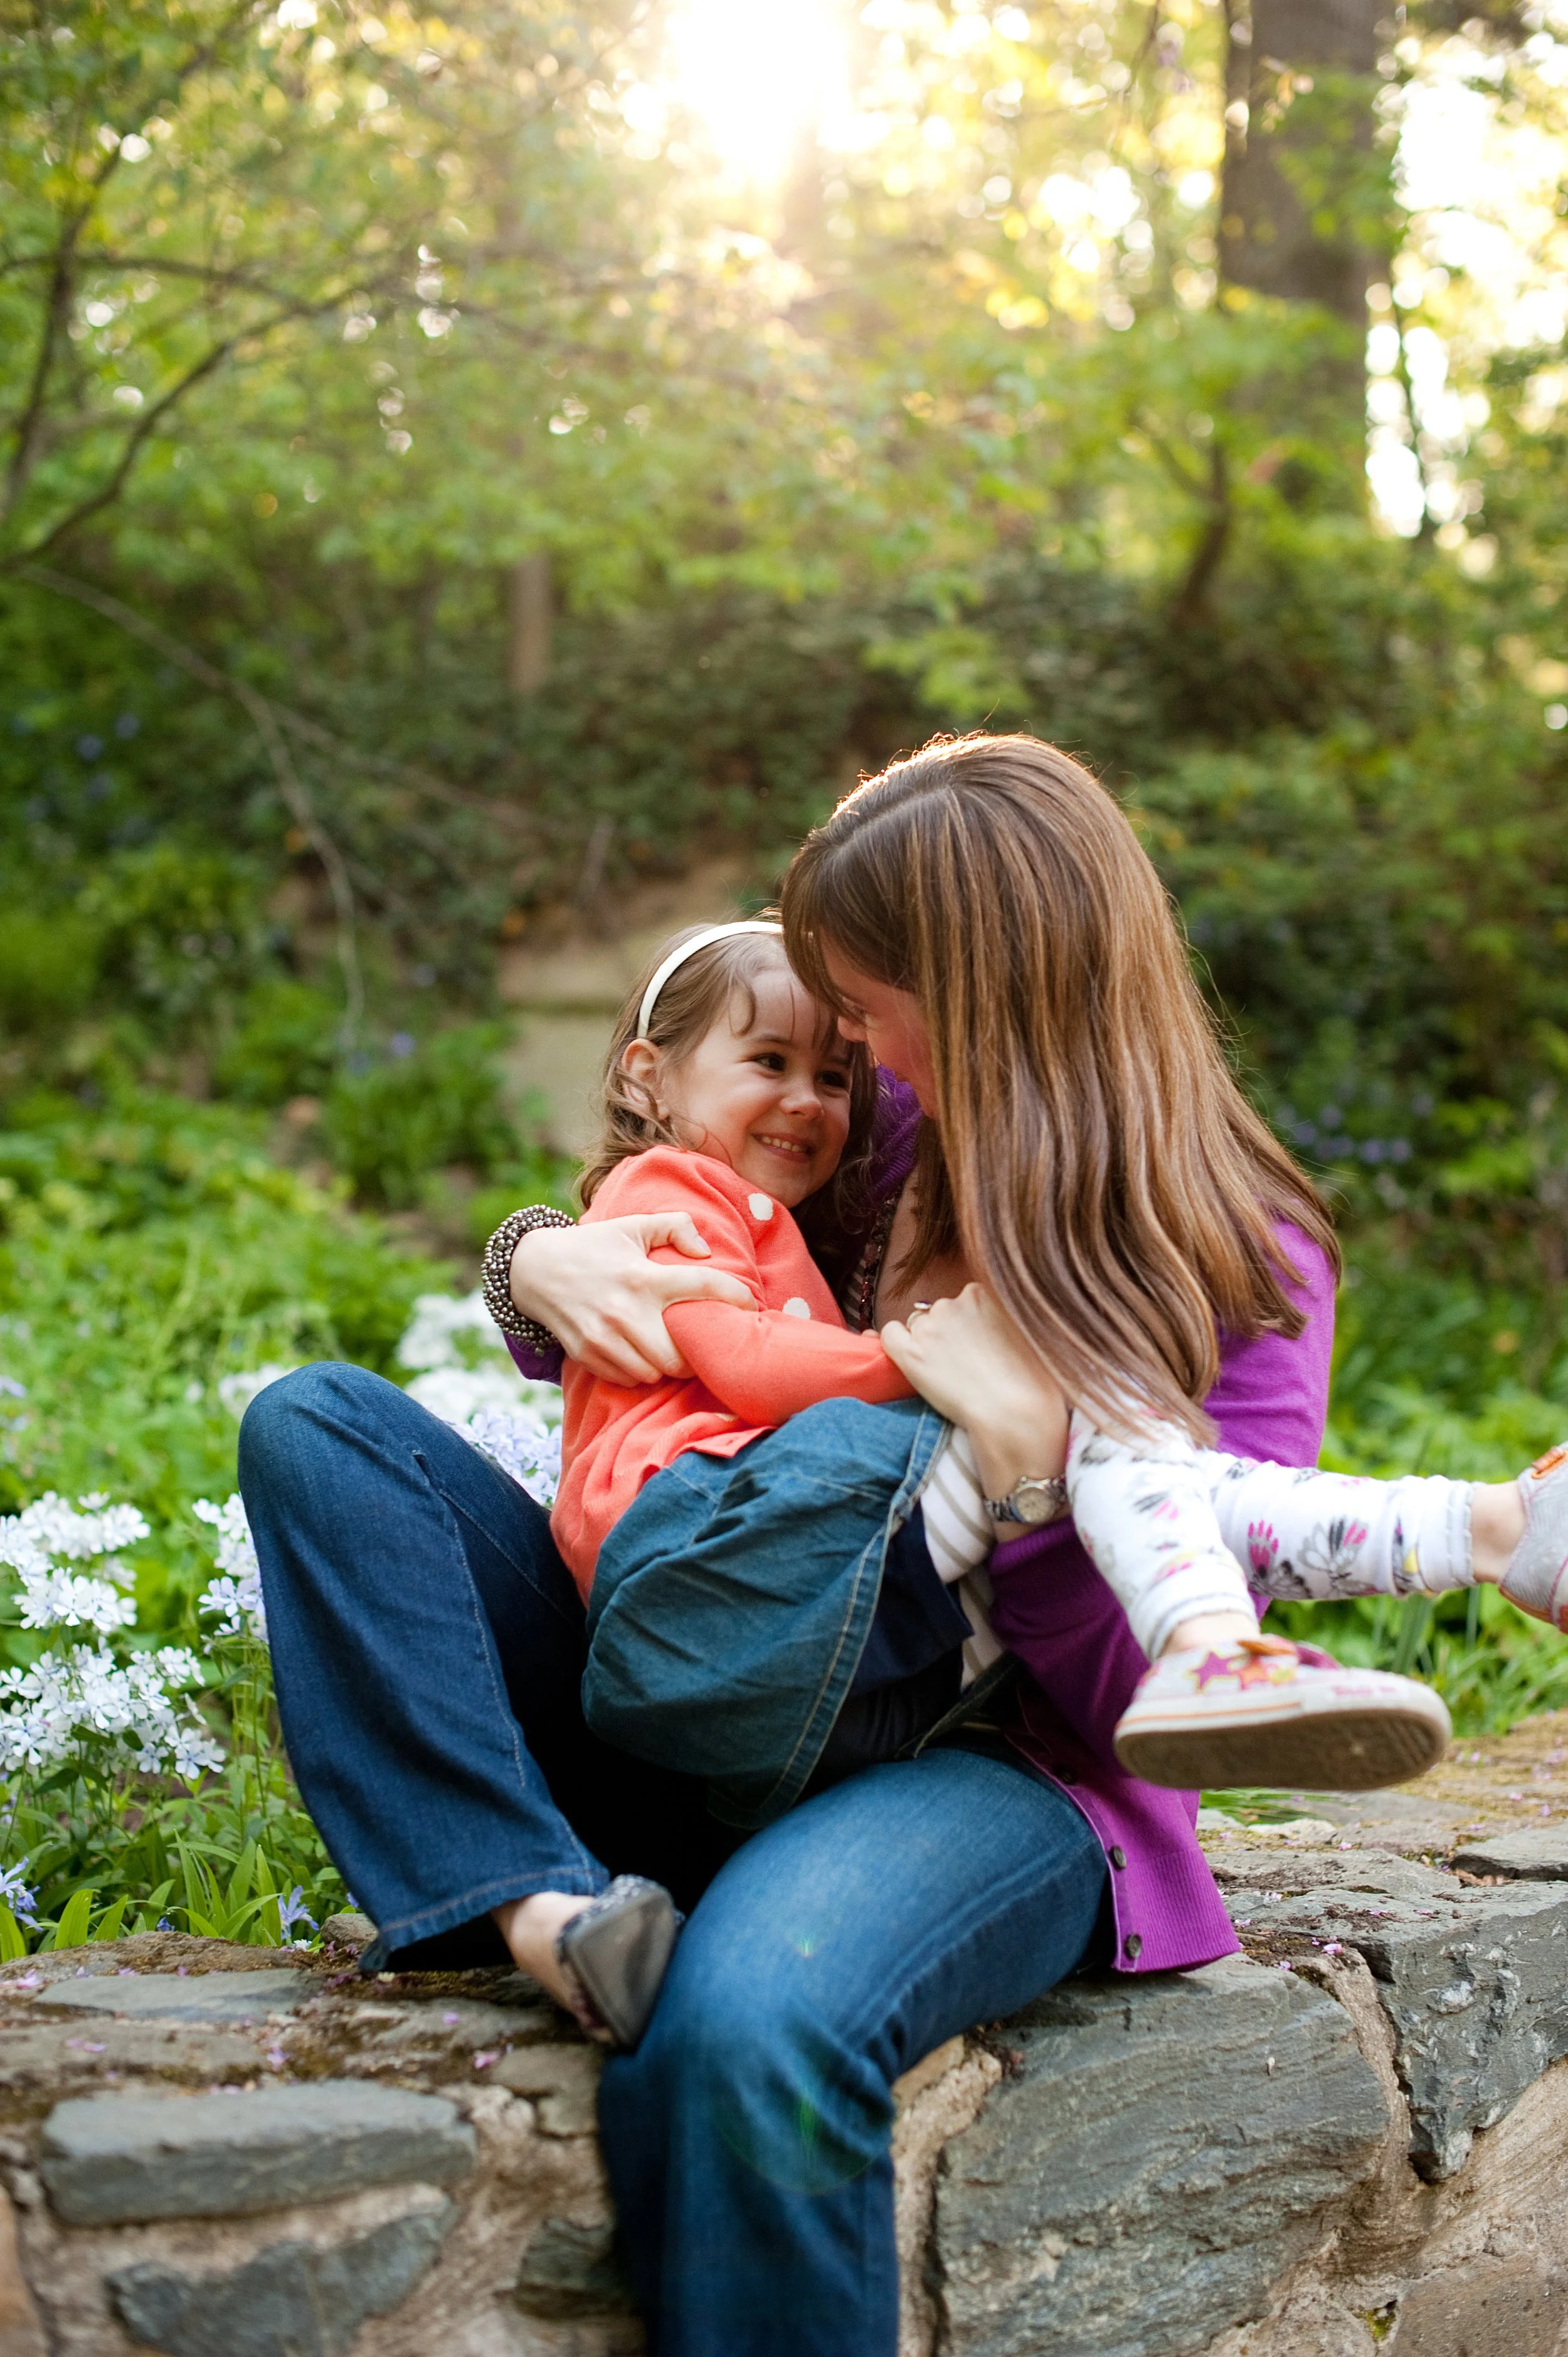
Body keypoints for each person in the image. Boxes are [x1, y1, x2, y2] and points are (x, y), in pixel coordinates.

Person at [233, 733, 1540, 2357]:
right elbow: (695, 1213)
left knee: (748, 2024)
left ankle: (662, 1940)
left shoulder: (1241, 1261)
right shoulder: (881, 1134)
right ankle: (540, 1904)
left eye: (864, 1002)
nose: (839, 1039)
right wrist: (543, 1259)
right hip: (707, 1669)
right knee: (322, 1429)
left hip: (993, 1765)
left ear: (977, 986)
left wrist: (1010, 1478)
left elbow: (1146, 1677)